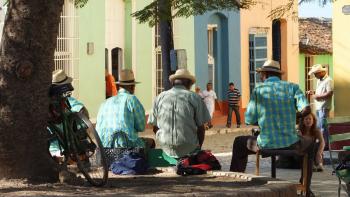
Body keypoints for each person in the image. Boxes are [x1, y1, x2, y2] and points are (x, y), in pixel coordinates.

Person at [229, 60, 314, 192]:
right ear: (278, 74)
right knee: (311, 143)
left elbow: (249, 119)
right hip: (290, 143)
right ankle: (305, 186)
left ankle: (234, 187)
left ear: (264, 75)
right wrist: (293, 117)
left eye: (261, 75)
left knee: (239, 143)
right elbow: (307, 109)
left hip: (265, 144)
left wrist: (265, 120)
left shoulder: (258, 90)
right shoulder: (293, 87)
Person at [148, 68, 211, 158]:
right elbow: (201, 128)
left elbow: (154, 127)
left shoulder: (159, 97)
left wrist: (163, 138)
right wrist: (198, 148)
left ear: (173, 83)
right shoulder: (194, 97)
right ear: (188, 84)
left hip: (165, 147)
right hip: (189, 148)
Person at [96, 69, 153, 149]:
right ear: (132, 86)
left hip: (104, 148)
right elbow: (141, 126)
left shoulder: (104, 103)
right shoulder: (131, 99)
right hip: (126, 147)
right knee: (150, 142)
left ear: (119, 86)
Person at [307, 64, 333, 149]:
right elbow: (321, 91)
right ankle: (323, 144)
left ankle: (324, 145)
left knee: (323, 127)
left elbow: (329, 93)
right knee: (319, 126)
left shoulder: (329, 80)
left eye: (315, 73)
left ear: (321, 72)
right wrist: (313, 92)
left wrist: (318, 97)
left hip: (324, 107)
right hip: (319, 106)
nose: (314, 75)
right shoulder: (319, 81)